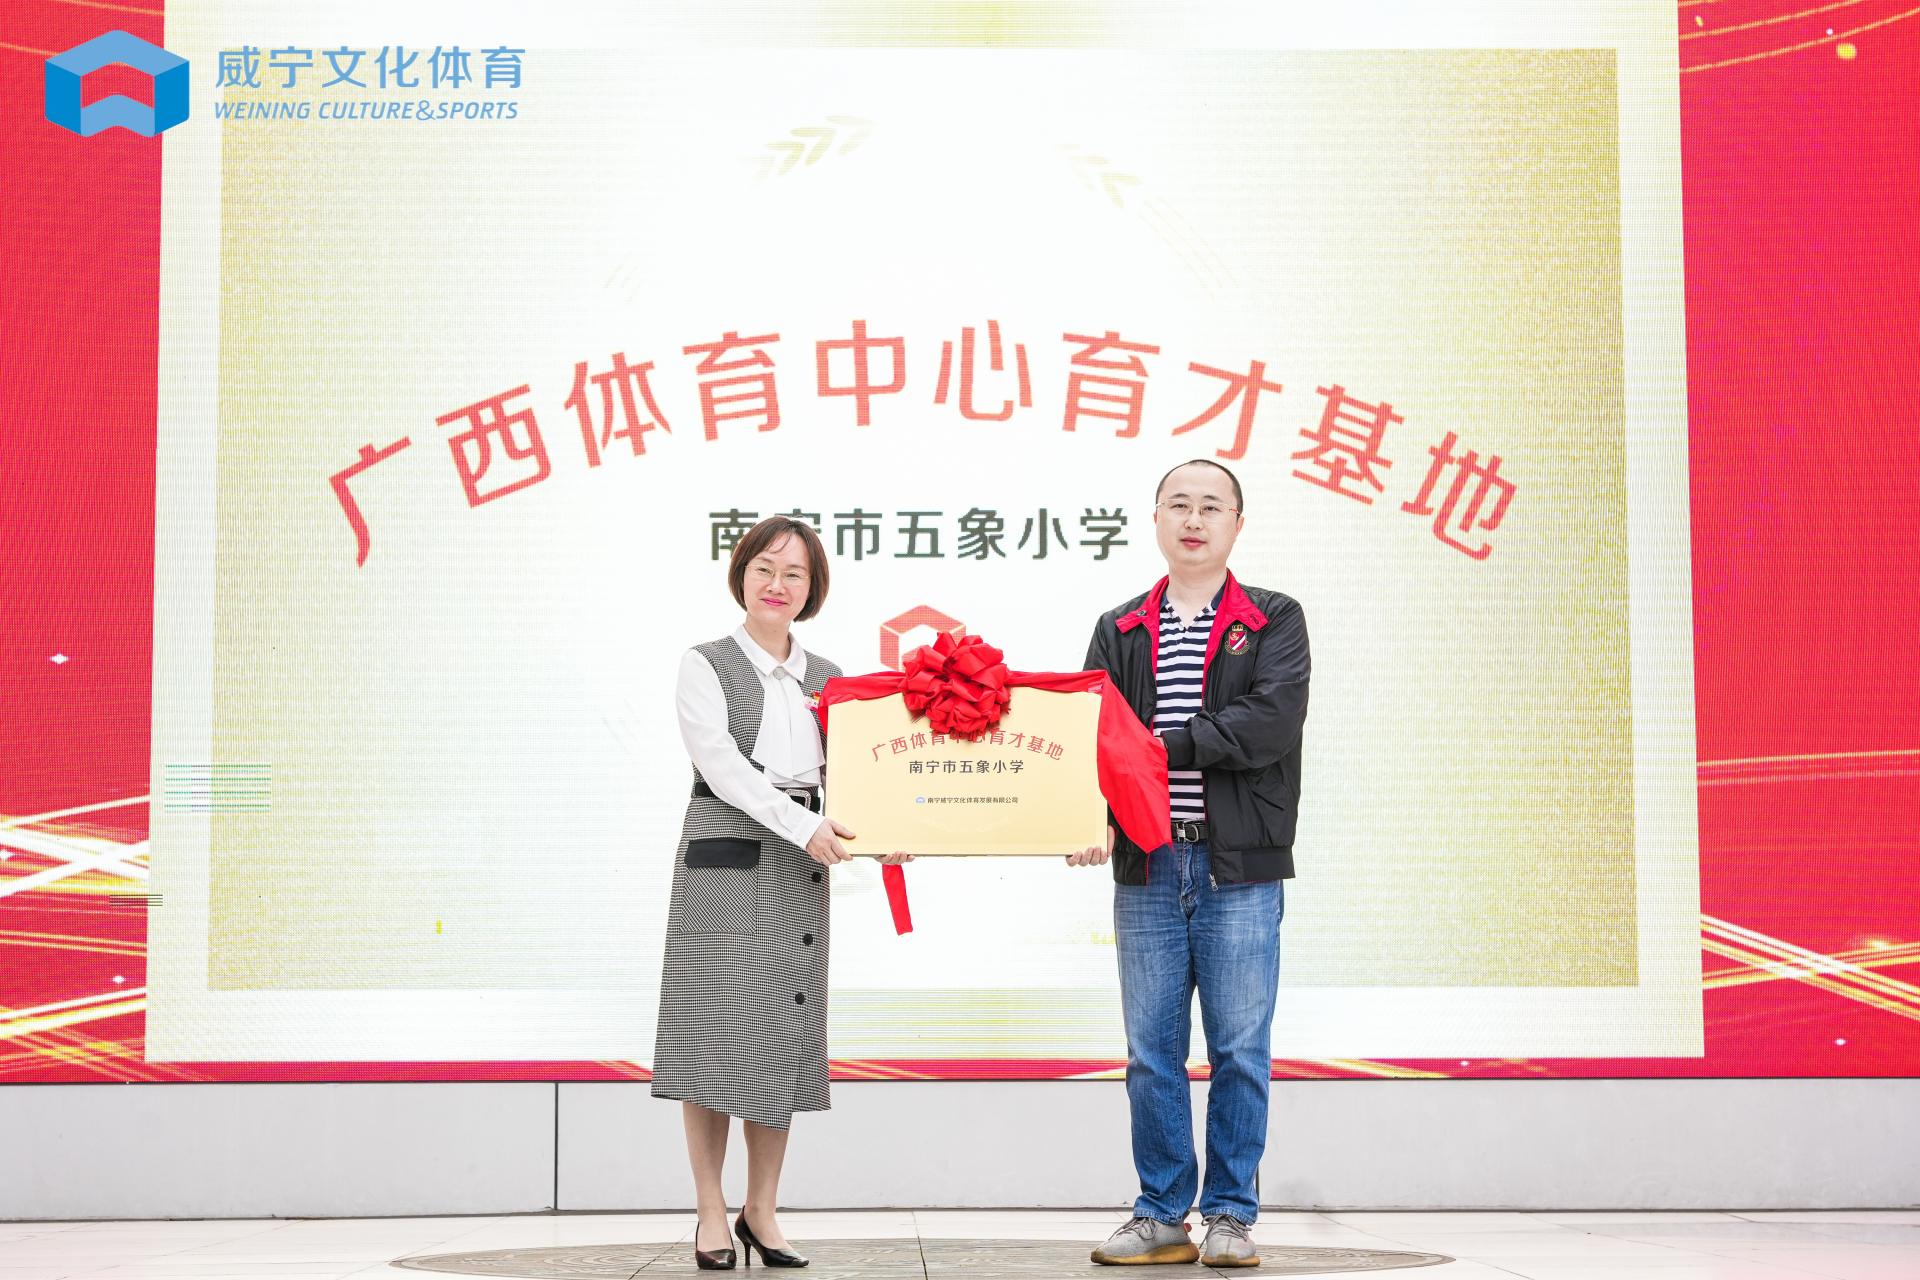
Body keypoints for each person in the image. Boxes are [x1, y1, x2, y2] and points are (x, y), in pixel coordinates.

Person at [651, 515, 909, 1271]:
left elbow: (858, 774)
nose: (777, 584)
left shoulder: (829, 677)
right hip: (725, 856)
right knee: (712, 1033)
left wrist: (891, 827)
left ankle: (761, 1210)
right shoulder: (704, 663)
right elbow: (723, 768)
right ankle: (710, 1210)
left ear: (812, 588)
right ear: (741, 575)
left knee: (779, 1037)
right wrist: (803, 826)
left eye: (795, 573)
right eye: (764, 567)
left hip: (801, 861)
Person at [1075, 459, 1311, 1269]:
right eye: (1179, 504)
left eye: (1212, 506)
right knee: (1151, 1053)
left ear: (1237, 525)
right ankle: (1161, 1214)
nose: (1194, 519)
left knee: (1240, 1049)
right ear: (1156, 519)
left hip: (1237, 867)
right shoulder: (1120, 628)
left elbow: (1268, 722)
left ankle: (1232, 1216)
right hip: (1147, 864)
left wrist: (1161, 746)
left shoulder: (1274, 619)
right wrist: (1090, 817)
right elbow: (1092, 738)